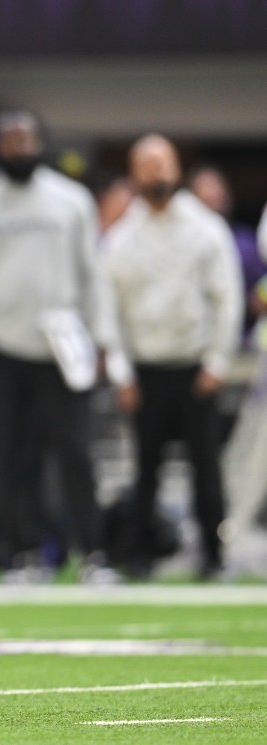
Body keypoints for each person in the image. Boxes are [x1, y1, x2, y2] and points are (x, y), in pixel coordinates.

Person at [0, 110, 120, 582]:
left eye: (28, 138)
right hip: (0, 347)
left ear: (42, 143)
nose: (20, 147)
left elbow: (93, 277)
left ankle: (93, 554)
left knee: (75, 452)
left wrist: (105, 341)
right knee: (10, 457)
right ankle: (27, 553)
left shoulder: (71, 201)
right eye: (10, 140)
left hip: (62, 346)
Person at [104, 135, 243, 580]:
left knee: (207, 467)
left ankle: (213, 555)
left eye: (163, 164)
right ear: (134, 174)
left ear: (177, 169)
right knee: (146, 468)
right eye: (147, 166)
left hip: (196, 367)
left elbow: (227, 297)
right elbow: (109, 309)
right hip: (145, 370)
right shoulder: (122, 238)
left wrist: (217, 362)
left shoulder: (206, 228)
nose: (157, 174)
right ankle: (140, 556)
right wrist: (122, 372)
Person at [189, 164, 267, 346]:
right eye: (205, 194)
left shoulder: (244, 242)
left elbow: (261, 289)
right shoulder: (183, 244)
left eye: (217, 190)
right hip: (195, 345)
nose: (214, 195)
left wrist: (257, 299)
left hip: (242, 342)